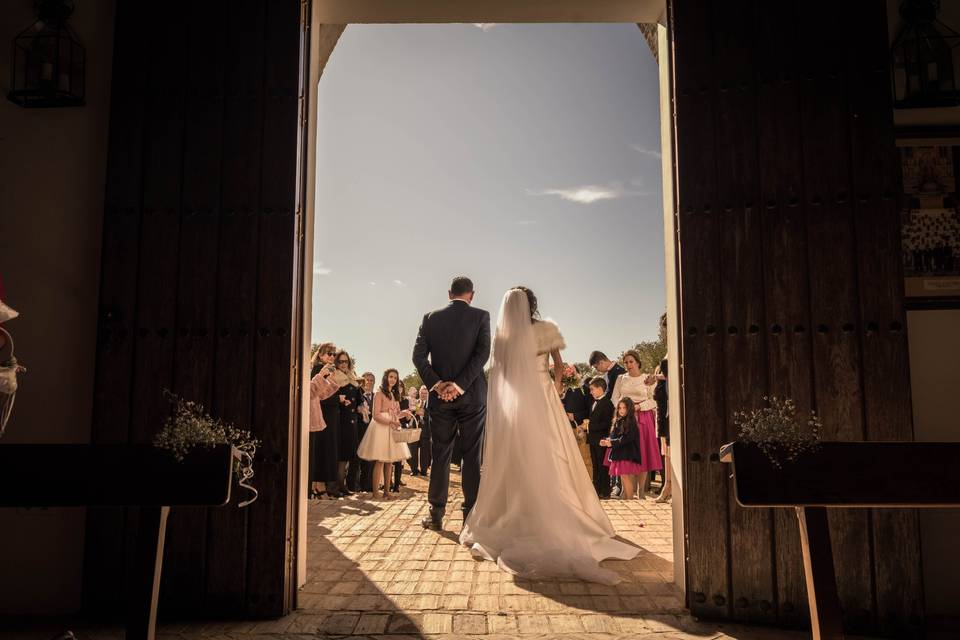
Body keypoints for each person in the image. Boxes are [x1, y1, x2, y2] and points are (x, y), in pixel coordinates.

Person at [460, 287, 639, 584]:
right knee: (551, 454)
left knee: (517, 458)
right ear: (532, 304)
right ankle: (553, 510)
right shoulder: (546, 329)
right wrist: (554, 390)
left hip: (515, 406)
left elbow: (500, 375)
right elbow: (558, 365)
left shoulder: (503, 337)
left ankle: (517, 513)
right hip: (542, 400)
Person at [413, 276, 491, 530]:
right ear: (472, 294)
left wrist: (439, 385)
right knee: (471, 455)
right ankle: (470, 516)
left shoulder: (430, 318)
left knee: (441, 454)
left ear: (449, 293)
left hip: (439, 399)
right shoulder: (481, 316)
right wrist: (459, 386)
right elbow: (482, 355)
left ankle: (436, 515)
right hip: (472, 396)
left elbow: (418, 357)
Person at [610, 349, 662, 497]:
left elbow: (654, 400)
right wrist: (623, 410)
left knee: (643, 451)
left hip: (643, 416)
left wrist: (639, 407)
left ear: (638, 362)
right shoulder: (621, 378)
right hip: (625, 418)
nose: (628, 364)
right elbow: (614, 398)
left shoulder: (647, 378)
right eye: (625, 362)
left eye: (631, 361)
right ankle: (628, 491)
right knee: (627, 451)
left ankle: (641, 491)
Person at [357, 369, 411, 500]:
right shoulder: (379, 394)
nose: (392, 379)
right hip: (381, 428)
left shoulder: (394, 395)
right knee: (381, 460)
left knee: (389, 461)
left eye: (395, 378)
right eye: (390, 377)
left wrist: (404, 414)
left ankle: (387, 491)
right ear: (386, 378)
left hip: (392, 428)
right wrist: (391, 421)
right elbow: (375, 415)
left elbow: (396, 413)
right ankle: (376, 492)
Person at [312, 343, 343, 499]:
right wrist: (338, 398)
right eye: (328, 353)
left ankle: (319, 484)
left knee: (325, 450)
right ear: (320, 355)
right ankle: (317, 485)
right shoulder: (317, 370)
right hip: (318, 414)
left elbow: (325, 394)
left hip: (325, 415)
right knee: (320, 451)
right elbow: (316, 394)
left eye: (333, 354)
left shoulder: (328, 372)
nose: (332, 356)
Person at [332, 350, 363, 496]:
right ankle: (337, 486)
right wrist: (340, 400)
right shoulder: (334, 378)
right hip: (340, 420)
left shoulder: (352, 378)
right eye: (341, 361)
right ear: (337, 363)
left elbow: (359, 398)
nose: (344, 364)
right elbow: (329, 397)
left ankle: (343, 485)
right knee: (341, 455)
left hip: (353, 422)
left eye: (346, 361)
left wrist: (360, 406)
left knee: (349, 455)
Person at [601, 398, 644, 500]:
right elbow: (615, 437)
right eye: (620, 407)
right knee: (623, 477)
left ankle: (630, 500)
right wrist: (606, 441)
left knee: (625, 477)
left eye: (624, 408)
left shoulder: (631, 422)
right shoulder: (618, 420)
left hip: (627, 454)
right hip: (620, 453)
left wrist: (612, 442)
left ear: (629, 408)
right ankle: (627, 499)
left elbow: (626, 439)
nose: (621, 410)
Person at [585, 377, 614, 498]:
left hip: (601, 440)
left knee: (602, 465)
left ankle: (605, 490)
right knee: (595, 465)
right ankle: (596, 490)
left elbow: (606, 423)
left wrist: (590, 425)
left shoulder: (607, 403)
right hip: (593, 439)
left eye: (592, 389)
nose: (590, 392)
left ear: (600, 389)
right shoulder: (594, 402)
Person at [348, 372, 376, 492]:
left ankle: (367, 486)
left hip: (372, 432)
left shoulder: (377, 396)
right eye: (367, 380)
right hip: (358, 431)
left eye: (371, 380)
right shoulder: (357, 393)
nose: (369, 382)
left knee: (369, 461)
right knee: (356, 460)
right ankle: (352, 486)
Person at [416, 385, 431, 476]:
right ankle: (414, 469)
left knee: (424, 452)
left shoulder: (430, 403)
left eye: (425, 393)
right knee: (411, 451)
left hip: (426, 431)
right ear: (419, 393)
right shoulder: (416, 402)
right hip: (415, 430)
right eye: (422, 393)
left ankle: (423, 471)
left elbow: (433, 416)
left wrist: (424, 414)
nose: (423, 395)